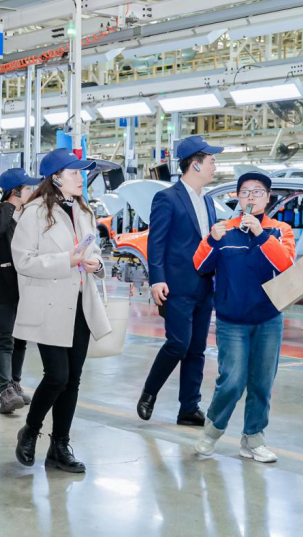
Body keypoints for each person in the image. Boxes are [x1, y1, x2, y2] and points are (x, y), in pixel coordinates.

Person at [12, 148, 111, 474]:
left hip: (80, 303)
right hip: (49, 304)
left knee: (73, 379)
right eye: (74, 173)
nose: (81, 178)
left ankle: (60, 446)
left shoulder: (83, 210)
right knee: (57, 375)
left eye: (82, 173)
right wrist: (66, 260)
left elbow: (93, 250)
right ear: (55, 177)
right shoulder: (34, 213)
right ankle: (30, 430)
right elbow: (23, 261)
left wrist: (96, 264)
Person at [193, 171, 295, 463]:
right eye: (245, 192)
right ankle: (212, 431)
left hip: (268, 319)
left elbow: (286, 264)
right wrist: (212, 241)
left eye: (258, 191)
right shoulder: (224, 230)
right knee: (232, 380)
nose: (251, 196)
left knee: (262, 383)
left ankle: (253, 438)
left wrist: (261, 235)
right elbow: (200, 265)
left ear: (268, 197)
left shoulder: (280, 230)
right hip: (232, 320)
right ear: (237, 198)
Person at [137, 136, 221, 426]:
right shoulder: (167, 198)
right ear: (195, 165)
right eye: (211, 161)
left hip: (204, 285)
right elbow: (156, 242)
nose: (215, 166)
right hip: (176, 285)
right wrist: (157, 279)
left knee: (196, 349)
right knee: (178, 344)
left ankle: (189, 407)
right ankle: (149, 392)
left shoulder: (208, 201)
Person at [0, 167, 40, 414]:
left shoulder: (31, 214)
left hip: (26, 285)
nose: (31, 191)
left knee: (21, 339)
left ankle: (16, 383)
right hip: (4, 286)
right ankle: (5, 390)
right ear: (15, 191)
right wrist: (9, 206)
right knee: (5, 338)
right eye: (27, 188)